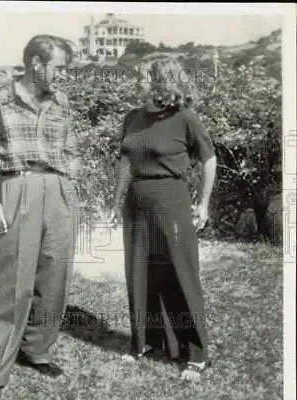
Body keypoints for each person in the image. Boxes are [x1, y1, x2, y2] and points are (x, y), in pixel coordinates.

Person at [0, 35, 80, 400]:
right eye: (58, 68)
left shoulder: (61, 101)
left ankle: (37, 349)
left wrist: (69, 181)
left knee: (54, 277)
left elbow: (71, 147)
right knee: (10, 283)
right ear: (36, 63)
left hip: (59, 191)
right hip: (16, 187)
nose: (62, 77)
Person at [110, 58, 217, 383]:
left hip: (171, 201)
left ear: (160, 82)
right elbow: (126, 160)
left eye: (141, 77)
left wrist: (204, 204)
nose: (136, 82)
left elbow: (209, 158)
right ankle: (145, 342)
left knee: (180, 274)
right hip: (136, 204)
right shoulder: (132, 118)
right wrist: (115, 201)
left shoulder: (183, 118)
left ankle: (196, 354)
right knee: (140, 273)